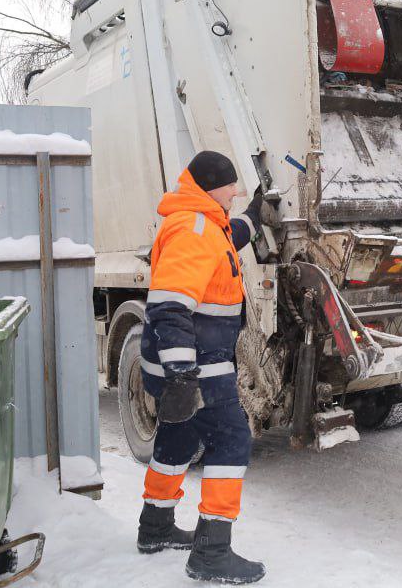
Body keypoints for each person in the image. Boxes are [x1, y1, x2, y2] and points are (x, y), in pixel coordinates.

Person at [136, 150, 270, 584]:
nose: (236, 191)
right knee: (231, 440)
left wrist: (254, 215)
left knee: (178, 437)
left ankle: (154, 527)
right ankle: (212, 552)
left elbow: (230, 236)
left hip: (190, 363)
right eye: (231, 185)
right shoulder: (195, 229)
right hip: (198, 365)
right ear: (212, 186)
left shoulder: (204, 222)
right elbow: (170, 307)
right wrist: (181, 376)